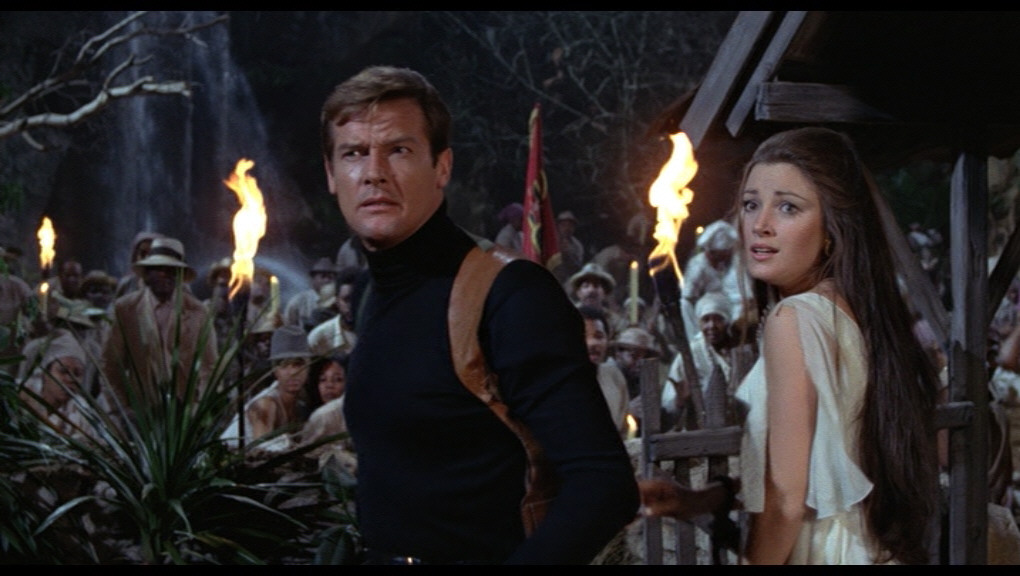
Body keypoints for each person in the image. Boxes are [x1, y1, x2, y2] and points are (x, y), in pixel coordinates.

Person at [320, 65, 637, 564]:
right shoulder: (367, 292)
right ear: (331, 175)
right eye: (354, 153)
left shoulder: (508, 293)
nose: (374, 172)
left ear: (442, 167)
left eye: (398, 150)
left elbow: (603, 483)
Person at [641, 127, 941, 564]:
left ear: (833, 227)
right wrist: (700, 499)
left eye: (787, 207)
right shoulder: (854, 311)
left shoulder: (794, 318)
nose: (760, 224)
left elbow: (787, 499)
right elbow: (814, 468)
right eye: (751, 204)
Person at [100, 236, 219, 416]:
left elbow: (209, 366)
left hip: (185, 413)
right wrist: (122, 409)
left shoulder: (198, 312)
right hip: (141, 412)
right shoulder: (125, 309)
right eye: (158, 269)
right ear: (147, 273)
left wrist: (198, 408)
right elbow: (110, 365)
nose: (164, 275)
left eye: (171, 270)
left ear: (180, 275)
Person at [664, 291, 750, 431]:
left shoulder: (740, 352)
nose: (712, 325)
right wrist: (680, 400)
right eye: (706, 320)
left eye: (718, 319)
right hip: (701, 430)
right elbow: (669, 406)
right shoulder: (690, 355)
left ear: (727, 321)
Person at [222, 324, 312, 451]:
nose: (292, 372)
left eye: (298, 365)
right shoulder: (266, 404)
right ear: (275, 370)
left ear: (308, 368)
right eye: (284, 365)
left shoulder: (301, 403)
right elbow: (262, 450)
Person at [577, 305, 630, 438]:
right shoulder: (557, 380)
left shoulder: (613, 375)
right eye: (583, 336)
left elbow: (623, 427)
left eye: (598, 336)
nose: (592, 343)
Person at [307, 266, 360, 357]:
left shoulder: (377, 332)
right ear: (337, 301)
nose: (351, 306)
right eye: (346, 300)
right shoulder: (319, 338)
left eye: (357, 299)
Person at [567, 262, 628, 336]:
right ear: (578, 293)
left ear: (605, 293)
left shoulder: (616, 322)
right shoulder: (567, 317)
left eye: (596, 286)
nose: (591, 290)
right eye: (586, 286)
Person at [283, 257, 337, 332]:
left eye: (330, 277)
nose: (327, 280)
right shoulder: (298, 302)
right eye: (323, 276)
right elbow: (288, 327)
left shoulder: (339, 301)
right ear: (313, 279)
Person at [115, 230, 164, 299]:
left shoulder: (174, 286)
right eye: (143, 253)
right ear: (136, 256)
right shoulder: (127, 284)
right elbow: (115, 304)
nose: (147, 258)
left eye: (152, 254)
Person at [551, 210, 584, 286]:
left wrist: (568, 255)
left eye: (570, 225)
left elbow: (578, 268)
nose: (567, 228)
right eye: (563, 225)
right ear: (558, 226)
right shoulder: (550, 239)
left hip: (567, 281)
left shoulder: (577, 245)